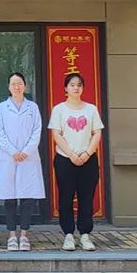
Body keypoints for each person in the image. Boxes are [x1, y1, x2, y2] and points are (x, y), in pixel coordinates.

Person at [48, 72, 104, 252]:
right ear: (65, 88)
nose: (76, 88)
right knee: (65, 197)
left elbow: (97, 133)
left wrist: (87, 154)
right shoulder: (59, 109)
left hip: (88, 159)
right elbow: (56, 134)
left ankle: (85, 234)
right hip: (65, 159)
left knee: (86, 197)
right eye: (72, 85)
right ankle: (68, 235)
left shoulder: (91, 109)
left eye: (79, 85)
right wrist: (71, 154)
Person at [0, 72, 45, 252]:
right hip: (9, 157)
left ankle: (24, 235)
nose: (16, 87)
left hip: (28, 157)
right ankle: (11, 235)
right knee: (9, 198)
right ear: (8, 87)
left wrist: (25, 151)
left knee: (27, 198)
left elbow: (37, 131)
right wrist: (13, 151)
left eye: (19, 83)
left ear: (25, 86)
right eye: (13, 84)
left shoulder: (32, 107)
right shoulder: (2, 107)